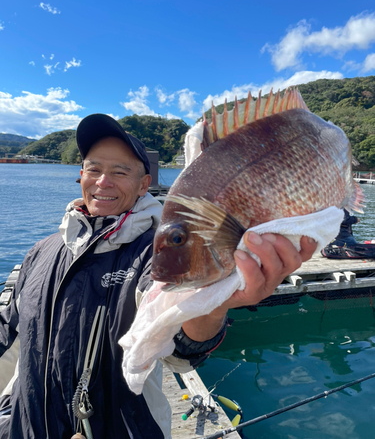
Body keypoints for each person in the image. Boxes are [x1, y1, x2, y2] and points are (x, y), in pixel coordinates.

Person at [0, 114, 317, 439]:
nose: (103, 181)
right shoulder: (38, 252)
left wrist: (213, 301)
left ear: (143, 184)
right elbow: (7, 333)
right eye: (94, 169)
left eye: (119, 172)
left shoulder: (155, 253)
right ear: (81, 175)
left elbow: (182, 350)